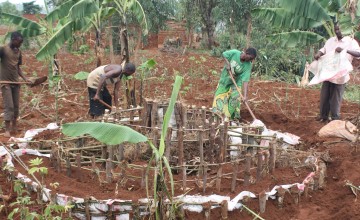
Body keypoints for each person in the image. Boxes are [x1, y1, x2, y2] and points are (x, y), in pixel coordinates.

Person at [314, 23, 360, 122]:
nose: (338, 31)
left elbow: (358, 54)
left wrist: (345, 50)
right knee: (324, 95)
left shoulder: (351, 41)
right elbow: (324, 49)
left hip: (340, 75)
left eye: (339, 29)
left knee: (336, 97)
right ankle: (323, 116)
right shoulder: (331, 40)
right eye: (336, 30)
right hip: (328, 72)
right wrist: (319, 53)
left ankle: (335, 118)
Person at [0, 32, 31, 137]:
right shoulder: (3, 49)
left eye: (21, 43)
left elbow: (18, 68)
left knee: (16, 106)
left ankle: (14, 126)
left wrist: (25, 79)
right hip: (5, 83)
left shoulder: (18, 52)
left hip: (16, 82)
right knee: (9, 106)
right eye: (19, 42)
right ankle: (7, 130)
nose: (20, 45)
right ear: (13, 39)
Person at [212, 48, 257, 120]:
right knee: (219, 98)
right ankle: (218, 117)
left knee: (235, 98)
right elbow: (224, 54)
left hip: (236, 82)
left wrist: (245, 96)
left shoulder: (248, 65)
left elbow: (245, 81)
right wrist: (227, 63)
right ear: (246, 53)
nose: (251, 60)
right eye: (250, 58)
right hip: (225, 80)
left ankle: (227, 118)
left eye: (252, 59)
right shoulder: (235, 53)